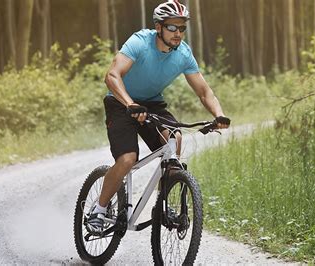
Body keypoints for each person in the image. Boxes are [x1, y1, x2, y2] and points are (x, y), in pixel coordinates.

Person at [86, 0, 230, 233]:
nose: (178, 33)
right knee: (127, 159)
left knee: (174, 140)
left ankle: (163, 204)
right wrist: (130, 103)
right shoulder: (140, 42)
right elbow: (112, 76)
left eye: (182, 28)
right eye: (172, 27)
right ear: (159, 27)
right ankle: (99, 210)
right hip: (120, 101)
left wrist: (219, 114)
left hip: (152, 103)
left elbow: (204, 91)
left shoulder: (183, 54)